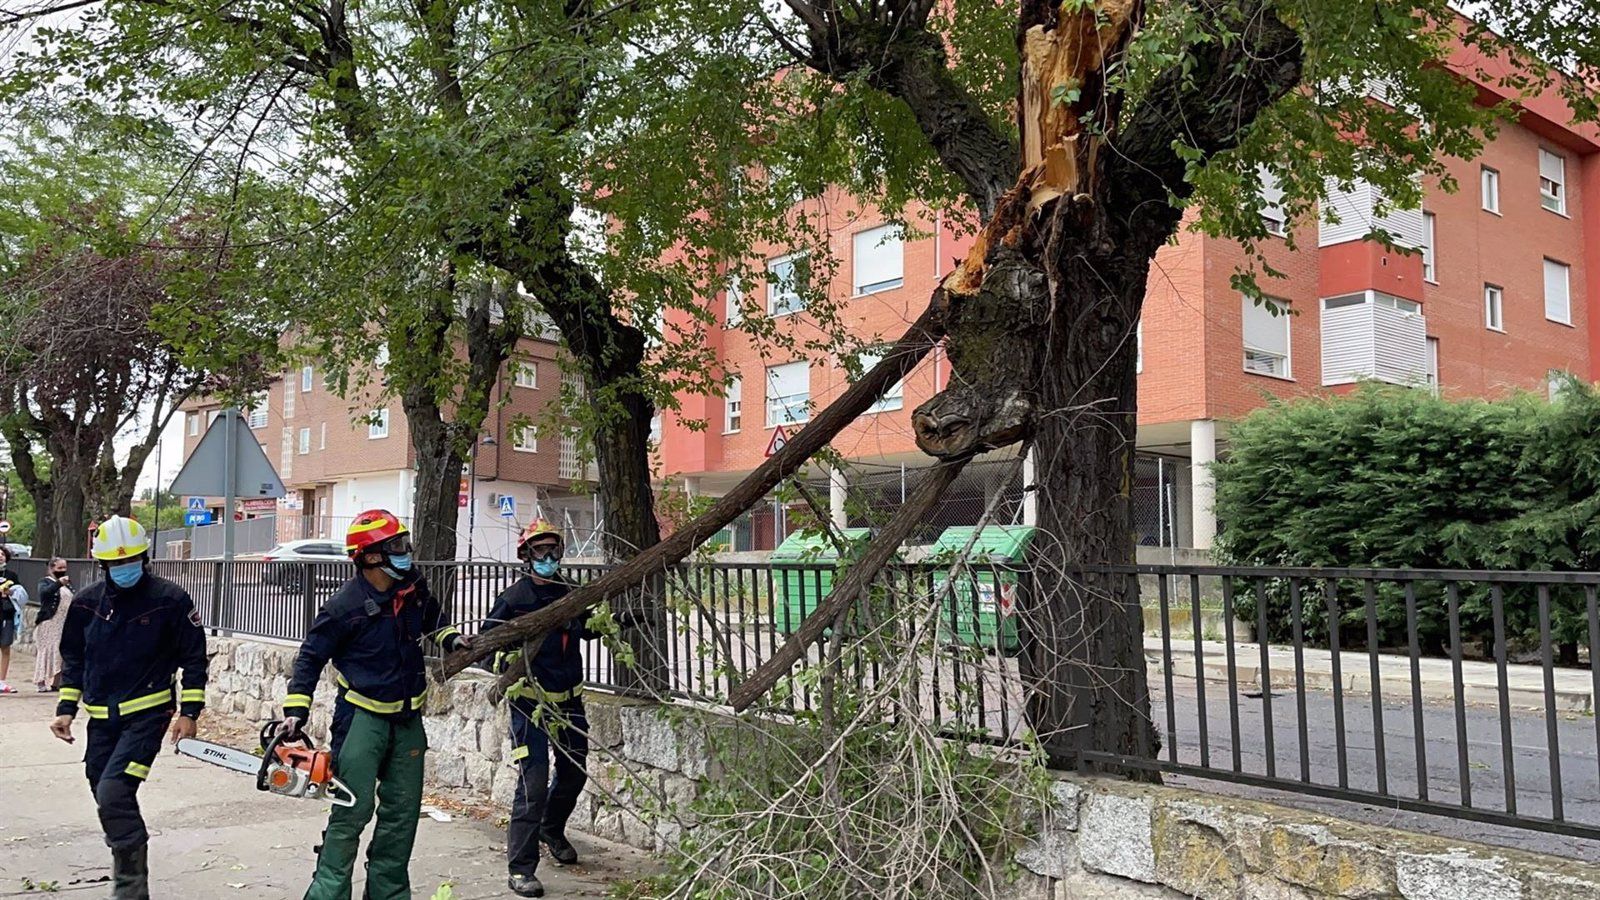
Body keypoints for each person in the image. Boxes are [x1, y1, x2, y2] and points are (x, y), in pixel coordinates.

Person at [282, 509, 469, 900]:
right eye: (397, 546)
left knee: (401, 816)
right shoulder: (343, 607)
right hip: (361, 719)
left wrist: (451, 639)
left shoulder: (412, 588)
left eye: (405, 544)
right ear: (370, 557)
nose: (406, 553)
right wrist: (295, 712)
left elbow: (433, 617)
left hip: (407, 720)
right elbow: (310, 657)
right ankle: (328, 892)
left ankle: (388, 893)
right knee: (352, 811)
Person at [50, 516, 208, 899]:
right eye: (116, 563)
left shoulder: (170, 600)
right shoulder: (87, 603)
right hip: (101, 720)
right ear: (103, 565)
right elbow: (74, 658)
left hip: (148, 715)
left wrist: (189, 712)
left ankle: (131, 890)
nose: (125, 568)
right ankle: (127, 854)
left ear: (145, 557)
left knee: (114, 792)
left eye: (132, 559)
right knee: (102, 789)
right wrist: (66, 708)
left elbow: (194, 658)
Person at [483, 519, 593, 898]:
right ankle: (521, 868)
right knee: (533, 782)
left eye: (553, 550)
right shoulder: (514, 600)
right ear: (526, 556)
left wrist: (623, 619)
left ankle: (552, 828)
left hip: (569, 702)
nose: (548, 557)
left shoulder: (570, 592)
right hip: (529, 705)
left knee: (575, 771)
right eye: (540, 550)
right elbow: (486, 648)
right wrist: (509, 665)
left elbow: (589, 627)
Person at [33, 558, 72, 691]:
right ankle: (41, 681)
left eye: (64, 568)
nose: (62, 571)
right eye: (59, 568)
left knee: (60, 652)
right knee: (47, 651)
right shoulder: (44, 582)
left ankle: (56, 682)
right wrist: (58, 584)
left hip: (63, 622)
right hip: (49, 622)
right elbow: (44, 594)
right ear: (51, 568)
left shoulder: (67, 584)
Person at [0, 545, 23, 694]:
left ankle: (2, 681)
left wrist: (10, 592)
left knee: (5, 647)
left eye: (2, 554)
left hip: (6, 614)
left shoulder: (12, 575)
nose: (0, 556)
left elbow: (20, 594)